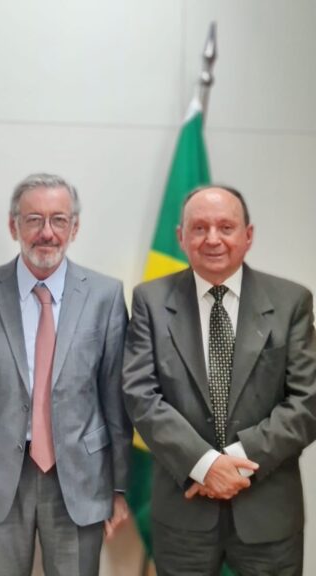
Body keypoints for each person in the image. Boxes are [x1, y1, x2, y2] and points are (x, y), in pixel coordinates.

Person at [122, 185, 316, 575]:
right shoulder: (150, 301)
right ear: (181, 237)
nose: (213, 239)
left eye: (226, 227)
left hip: (268, 515)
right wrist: (205, 464)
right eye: (199, 228)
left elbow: (306, 402)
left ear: (248, 235)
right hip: (183, 514)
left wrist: (235, 462)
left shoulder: (292, 301)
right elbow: (140, 394)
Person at [0, 173, 132, 576]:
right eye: (34, 219)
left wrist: (119, 487)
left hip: (81, 479)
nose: (47, 233)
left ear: (75, 228)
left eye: (59, 220)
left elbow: (115, 399)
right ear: (13, 225)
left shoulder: (105, 296)